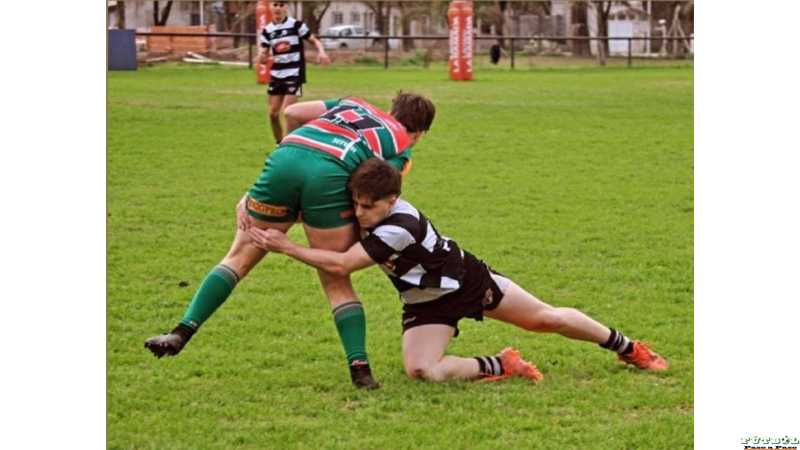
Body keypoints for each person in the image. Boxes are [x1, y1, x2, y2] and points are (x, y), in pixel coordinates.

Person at [245, 159, 669, 383]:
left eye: (367, 207)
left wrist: (285, 246)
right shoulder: (375, 206)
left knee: (546, 319)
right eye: (355, 204)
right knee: (422, 372)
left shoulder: (399, 225)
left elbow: (341, 264)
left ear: (391, 199)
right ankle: (501, 365)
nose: (359, 214)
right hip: (423, 302)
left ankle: (629, 347)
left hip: (466, 283)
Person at [145, 94, 436, 390]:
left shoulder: (354, 103)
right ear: (421, 133)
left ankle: (182, 330)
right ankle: (360, 371)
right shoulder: (401, 146)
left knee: (239, 255)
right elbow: (374, 197)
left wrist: (265, 192)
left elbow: (294, 112)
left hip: (286, 156)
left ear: (389, 110)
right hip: (330, 172)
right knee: (336, 278)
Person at [258, 1, 331, 143]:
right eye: (275, 5)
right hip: (276, 74)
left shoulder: (296, 25)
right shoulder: (267, 30)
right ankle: (279, 144)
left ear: (286, 8)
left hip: (294, 73)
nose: (278, 8)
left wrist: (321, 52)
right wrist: (262, 57)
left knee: (288, 112)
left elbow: (314, 40)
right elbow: (263, 55)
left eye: (281, 5)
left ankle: (287, 146)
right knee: (273, 114)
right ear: (270, 7)